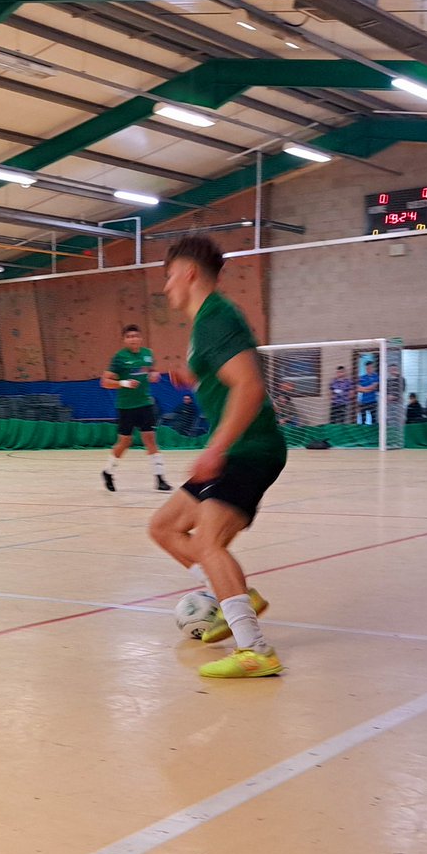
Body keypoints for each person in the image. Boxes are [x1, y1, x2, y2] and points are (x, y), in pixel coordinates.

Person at [147, 236, 286, 679]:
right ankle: (237, 595)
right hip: (237, 449)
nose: (166, 286)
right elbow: (227, 375)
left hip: (249, 448)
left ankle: (255, 650)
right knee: (164, 528)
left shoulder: (216, 318)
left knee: (207, 542)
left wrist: (216, 448)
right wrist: (195, 376)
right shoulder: (205, 322)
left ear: (188, 273)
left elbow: (249, 386)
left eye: (169, 276)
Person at [100, 323, 172, 492]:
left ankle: (160, 478)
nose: (133, 339)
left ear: (140, 338)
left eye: (136, 336)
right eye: (129, 337)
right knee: (125, 442)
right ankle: (108, 472)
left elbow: (151, 371)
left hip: (145, 404)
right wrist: (124, 383)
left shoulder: (148, 354)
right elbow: (105, 382)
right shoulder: (119, 357)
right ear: (124, 340)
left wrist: (154, 375)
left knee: (150, 439)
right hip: (126, 407)